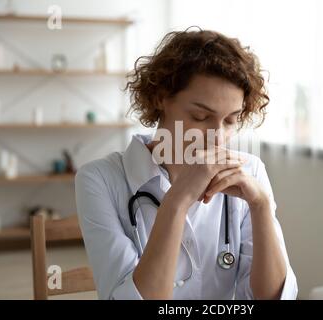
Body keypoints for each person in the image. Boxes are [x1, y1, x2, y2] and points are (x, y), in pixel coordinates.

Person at [75, 28, 298, 300]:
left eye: (230, 120)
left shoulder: (250, 172)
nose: (219, 136)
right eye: (201, 116)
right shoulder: (100, 179)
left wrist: (261, 207)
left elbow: (274, 297)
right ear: (161, 98)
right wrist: (177, 200)